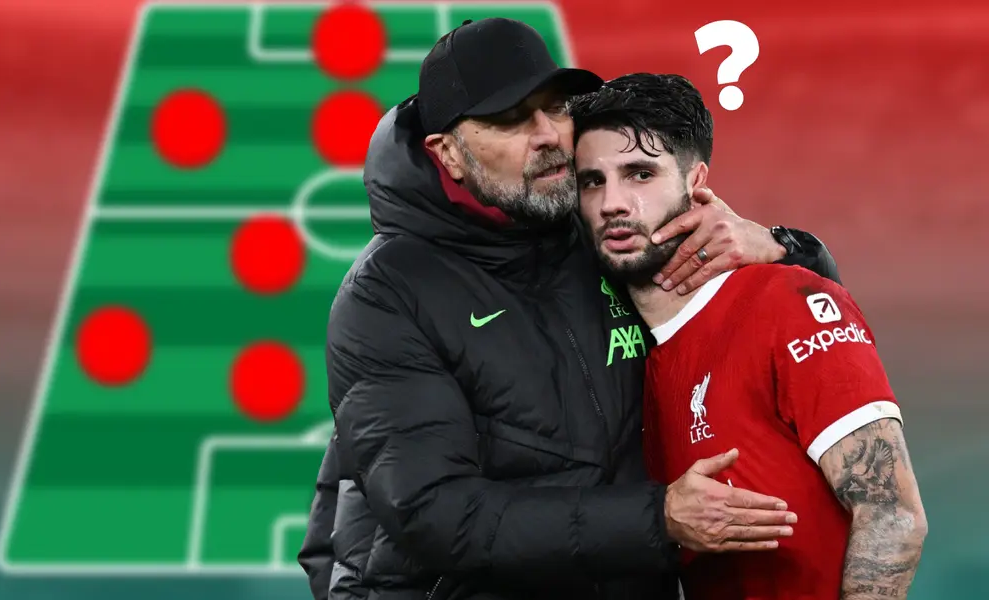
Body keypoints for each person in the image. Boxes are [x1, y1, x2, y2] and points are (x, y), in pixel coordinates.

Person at [299, 18, 842, 600]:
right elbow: (436, 513)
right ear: (447, 153)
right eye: (509, 118)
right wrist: (658, 518)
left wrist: (783, 248)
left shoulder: (604, 227)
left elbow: (801, 330)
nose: (548, 135)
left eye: (556, 107)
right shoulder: (386, 293)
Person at [571, 72, 927, 599]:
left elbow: (893, 516)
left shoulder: (787, 302)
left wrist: (787, 245)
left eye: (640, 174)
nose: (612, 203)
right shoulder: (626, 351)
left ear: (695, 181)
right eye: (592, 181)